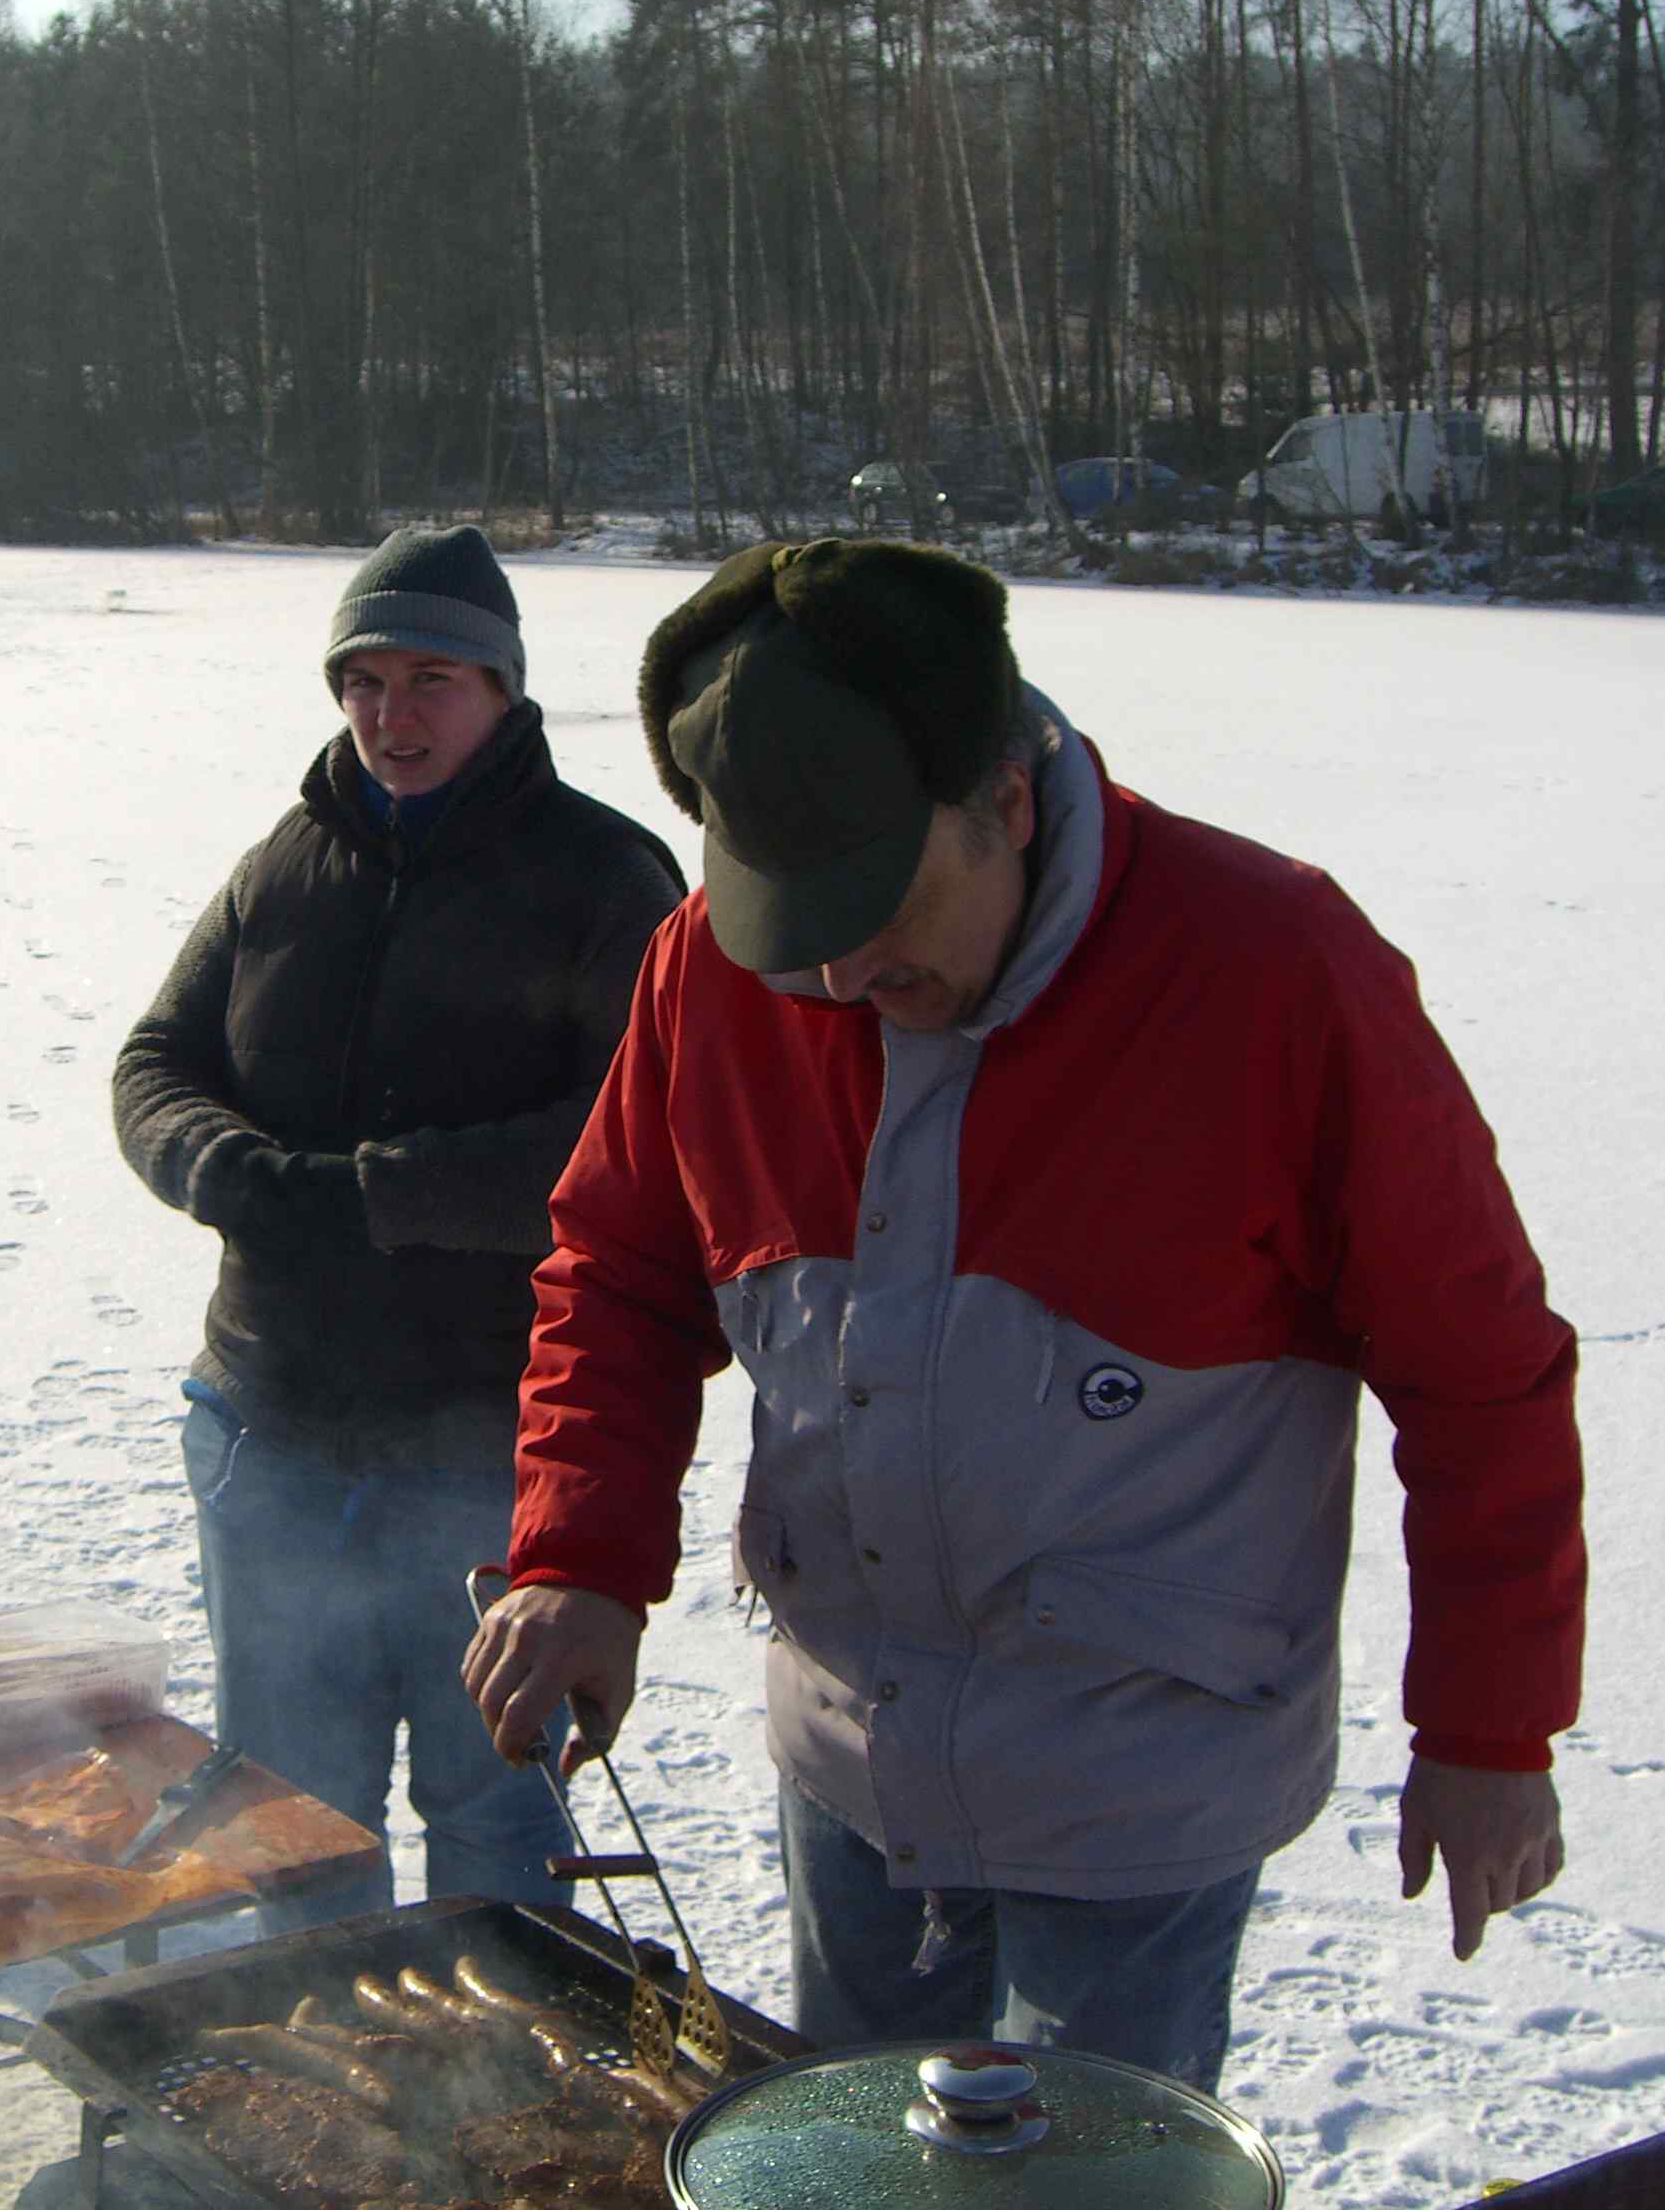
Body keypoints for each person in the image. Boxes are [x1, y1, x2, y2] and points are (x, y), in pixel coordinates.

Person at [463, 537, 1585, 2086]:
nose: (837, 970)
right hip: (851, 1757)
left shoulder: (1272, 970)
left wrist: (1489, 1730)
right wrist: (580, 1559)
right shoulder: (710, 974)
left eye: (877, 901)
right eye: (788, 916)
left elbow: (1482, 1375)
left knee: (1082, 2177)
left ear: (1004, 796)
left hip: (1141, 1784)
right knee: (850, 2159)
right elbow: (619, 1274)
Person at [116, 524, 686, 1924]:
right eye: (364, 681)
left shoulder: (603, 878)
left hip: (486, 1445)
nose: (393, 714)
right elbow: (155, 1063)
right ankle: (323, 2057)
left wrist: (380, 1194)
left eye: (433, 678)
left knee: (495, 1812)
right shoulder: (287, 863)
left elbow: (638, 1138)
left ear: (502, 690)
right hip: (270, 1427)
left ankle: (501, 2059)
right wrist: (224, 1170)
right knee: (289, 1812)